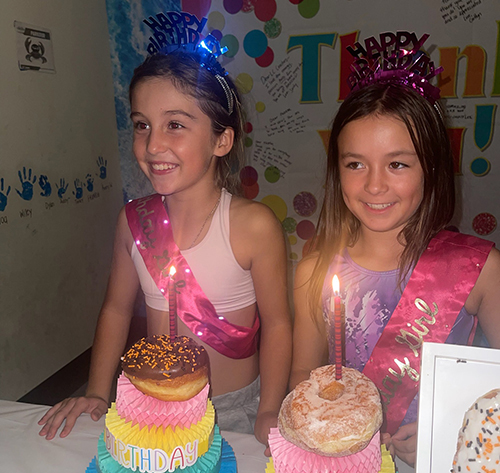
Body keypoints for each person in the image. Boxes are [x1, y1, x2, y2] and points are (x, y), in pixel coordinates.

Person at [38, 40, 292, 454]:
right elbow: (116, 310)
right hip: (150, 407)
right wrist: (99, 394)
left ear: (221, 140)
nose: (153, 145)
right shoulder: (132, 222)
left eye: (175, 124)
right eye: (142, 124)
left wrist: (268, 408)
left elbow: (279, 324)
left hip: (231, 412)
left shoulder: (254, 226)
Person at [289, 42, 500, 467]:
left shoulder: (479, 270)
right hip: (344, 459)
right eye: (355, 164)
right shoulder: (314, 270)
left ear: (434, 168)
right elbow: (301, 377)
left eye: (398, 164)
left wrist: (447, 429)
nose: (374, 186)